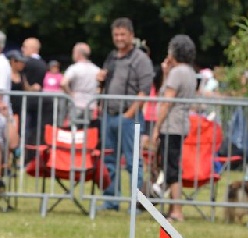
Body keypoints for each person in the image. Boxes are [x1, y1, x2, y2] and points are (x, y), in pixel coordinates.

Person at [97, 17, 154, 211]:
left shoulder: (141, 59)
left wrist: (129, 114)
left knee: (133, 162)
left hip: (130, 117)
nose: (119, 38)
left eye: (123, 34)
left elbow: (144, 91)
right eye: (116, 35)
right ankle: (111, 200)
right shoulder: (112, 57)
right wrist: (100, 80)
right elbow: (104, 82)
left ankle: (136, 203)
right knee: (109, 160)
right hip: (108, 114)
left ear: (131, 35)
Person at [150, 35, 198, 222]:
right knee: (169, 165)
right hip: (181, 124)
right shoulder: (189, 72)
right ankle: (173, 209)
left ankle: (176, 210)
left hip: (172, 125)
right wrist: (165, 71)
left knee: (171, 168)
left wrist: (156, 127)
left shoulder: (178, 73)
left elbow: (166, 101)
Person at [60, 42, 100, 125]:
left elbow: (63, 83)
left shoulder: (74, 68)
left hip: (76, 103)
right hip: (91, 104)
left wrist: (70, 93)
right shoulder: (96, 69)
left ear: (78, 53)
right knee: (87, 130)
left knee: (73, 129)